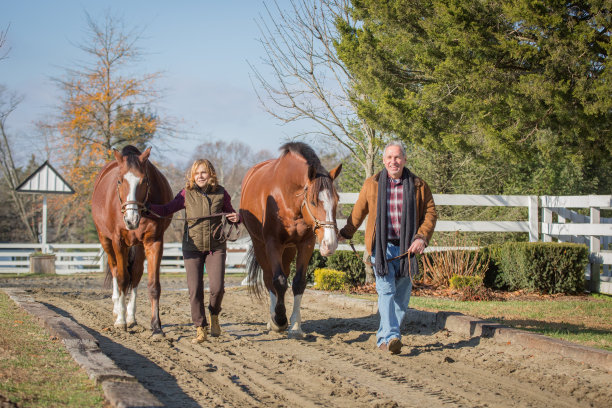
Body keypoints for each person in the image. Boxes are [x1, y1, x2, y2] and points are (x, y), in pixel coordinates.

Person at [338, 141, 437, 354]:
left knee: (401, 299)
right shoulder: (372, 184)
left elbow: (430, 214)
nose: (394, 161)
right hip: (380, 249)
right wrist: (345, 233)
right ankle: (392, 336)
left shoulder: (419, 185)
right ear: (384, 160)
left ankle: (384, 338)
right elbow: (358, 212)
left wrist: (422, 237)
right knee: (386, 291)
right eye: (390, 158)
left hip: (406, 250)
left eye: (398, 157)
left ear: (404, 160)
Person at [148, 159, 240, 344]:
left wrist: (237, 217)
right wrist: (146, 208)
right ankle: (200, 328)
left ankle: (214, 315)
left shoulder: (221, 193)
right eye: (197, 173)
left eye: (203, 172)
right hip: (192, 248)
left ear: (211, 174)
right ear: (192, 176)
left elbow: (231, 215)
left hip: (216, 246)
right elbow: (167, 209)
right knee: (195, 290)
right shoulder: (185, 194)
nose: (200, 176)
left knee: (217, 288)